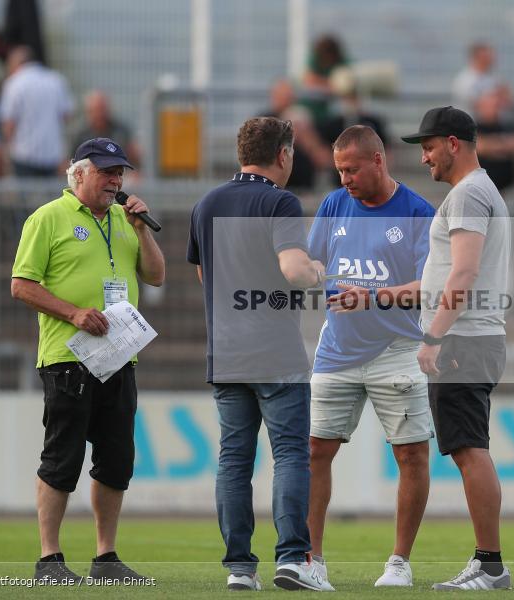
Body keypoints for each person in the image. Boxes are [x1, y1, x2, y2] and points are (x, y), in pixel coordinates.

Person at [11, 137, 164, 584]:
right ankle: (49, 560)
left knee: (117, 461)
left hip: (119, 358)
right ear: (78, 174)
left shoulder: (123, 219)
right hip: (67, 358)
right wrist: (74, 312)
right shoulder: (48, 218)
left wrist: (140, 229)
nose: (116, 180)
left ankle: (106, 557)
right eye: (106, 172)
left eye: (120, 172)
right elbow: (22, 285)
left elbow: (155, 276)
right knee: (63, 458)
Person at [187, 116, 330, 592]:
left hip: (226, 352)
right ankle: (292, 559)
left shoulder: (208, 203)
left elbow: (206, 277)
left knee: (234, 460)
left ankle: (240, 569)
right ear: (284, 154)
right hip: (276, 353)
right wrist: (316, 271)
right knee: (290, 455)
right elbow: (293, 270)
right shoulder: (280, 201)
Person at [305, 125, 435, 589]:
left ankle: (399, 562)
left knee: (413, 455)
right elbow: (312, 263)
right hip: (336, 349)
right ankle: (311, 559)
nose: (344, 179)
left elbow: (429, 287)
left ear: (378, 161)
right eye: (339, 170)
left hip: (396, 351)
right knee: (315, 451)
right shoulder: (334, 205)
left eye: (351, 169)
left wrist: (373, 296)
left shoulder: (419, 213)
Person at [402, 107, 512, 591]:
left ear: (453, 142)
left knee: (470, 449)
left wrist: (433, 335)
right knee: (469, 447)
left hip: (463, 339)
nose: (424, 157)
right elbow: (449, 273)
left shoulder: (467, 193)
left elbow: (463, 273)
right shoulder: (476, 191)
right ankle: (487, 562)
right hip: (471, 336)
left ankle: (490, 566)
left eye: (427, 146)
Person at [0, 45, 74, 176]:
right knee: (50, 196)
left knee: (25, 195)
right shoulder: (56, 80)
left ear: (17, 63)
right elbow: (67, 116)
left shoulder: (14, 83)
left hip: (23, 154)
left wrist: (6, 151)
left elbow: (8, 122)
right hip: (52, 154)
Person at [72, 90, 141, 172]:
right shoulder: (79, 134)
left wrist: (136, 171)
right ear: (88, 111)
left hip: (120, 178)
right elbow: (70, 162)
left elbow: (135, 159)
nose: (99, 114)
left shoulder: (122, 131)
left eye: (102, 109)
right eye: (95, 110)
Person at [452, 42, 501, 113]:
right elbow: (478, 104)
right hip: (469, 122)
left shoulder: (494, 78)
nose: (492, 58)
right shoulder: (465, 80)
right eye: (487, 55)